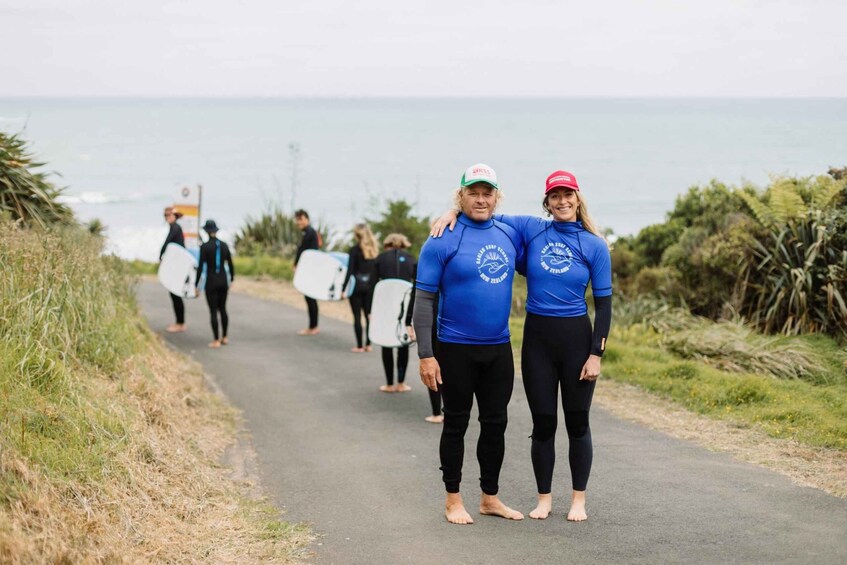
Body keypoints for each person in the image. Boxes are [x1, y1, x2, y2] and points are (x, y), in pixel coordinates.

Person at [431, 169, 612, 522]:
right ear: (547, 202)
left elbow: (604, 304)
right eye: (555, 196)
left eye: (568, 195)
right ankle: (543, 498)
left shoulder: (594, 244)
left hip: (577, 338)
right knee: (543, 422)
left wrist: (596, 353)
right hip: (537, 339)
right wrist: (449, 213)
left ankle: (578, 499)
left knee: (577, 423)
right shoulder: (532, 227)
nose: (562, 201)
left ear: (578, 198)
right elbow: (483, 214)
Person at [413, 163, 525, 525]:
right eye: (472, 192)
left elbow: (552, 232)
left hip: (499, 348)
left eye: (486, 192)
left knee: (496, 423)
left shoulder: (509, 233)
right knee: (456, 423)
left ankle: (489, 497)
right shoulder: (442, 237)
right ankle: (453, 500)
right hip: (454, 347)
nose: (480, 198)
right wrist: (426, 355)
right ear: (459, 196)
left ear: (496, 196)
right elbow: (424, 300)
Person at [194, 219, 234, 349]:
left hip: (211, 282)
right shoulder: (224, 245)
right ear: (216, 231)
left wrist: (196, 285)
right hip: (223, 281)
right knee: (223, 309)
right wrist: (232, 279)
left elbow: (200, 267)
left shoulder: (204, 247)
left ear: (206, 231)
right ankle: (225, 337)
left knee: (213, 311)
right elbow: (231, 264)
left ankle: (216, 340)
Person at [342, 224, 378, 352]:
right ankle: (368, 345)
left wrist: (343, 289)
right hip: (370, 288)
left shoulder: (354, 250)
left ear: (356, 235)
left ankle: (359, 346)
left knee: (357, 316)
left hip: (356, 287)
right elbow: (376, 273)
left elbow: (350, 271)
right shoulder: (374, 250)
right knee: (368, 316)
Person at [160, 205, 186, 333]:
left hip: (177, 265)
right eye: (165, 215)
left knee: (175, 293)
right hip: (175, 264)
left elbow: (167, 244)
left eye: (169, 215)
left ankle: (180, 323)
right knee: (174, 293)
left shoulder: (175, 227)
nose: (167, 218)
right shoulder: (174, 228)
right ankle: (179, 322)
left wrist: (160, 255)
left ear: (175, 216)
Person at [294, 209, 320, 335]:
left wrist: (298, 264)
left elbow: (306, 252)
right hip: (308, 268)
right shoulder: (307, 232)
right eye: (297, 219)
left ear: (307, 219)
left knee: (310, 297)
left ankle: (313, 326)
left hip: (310, 269)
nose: (299, 222)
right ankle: (313, 325)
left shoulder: (309, 232)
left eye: (301, 219)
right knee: (309, 298)